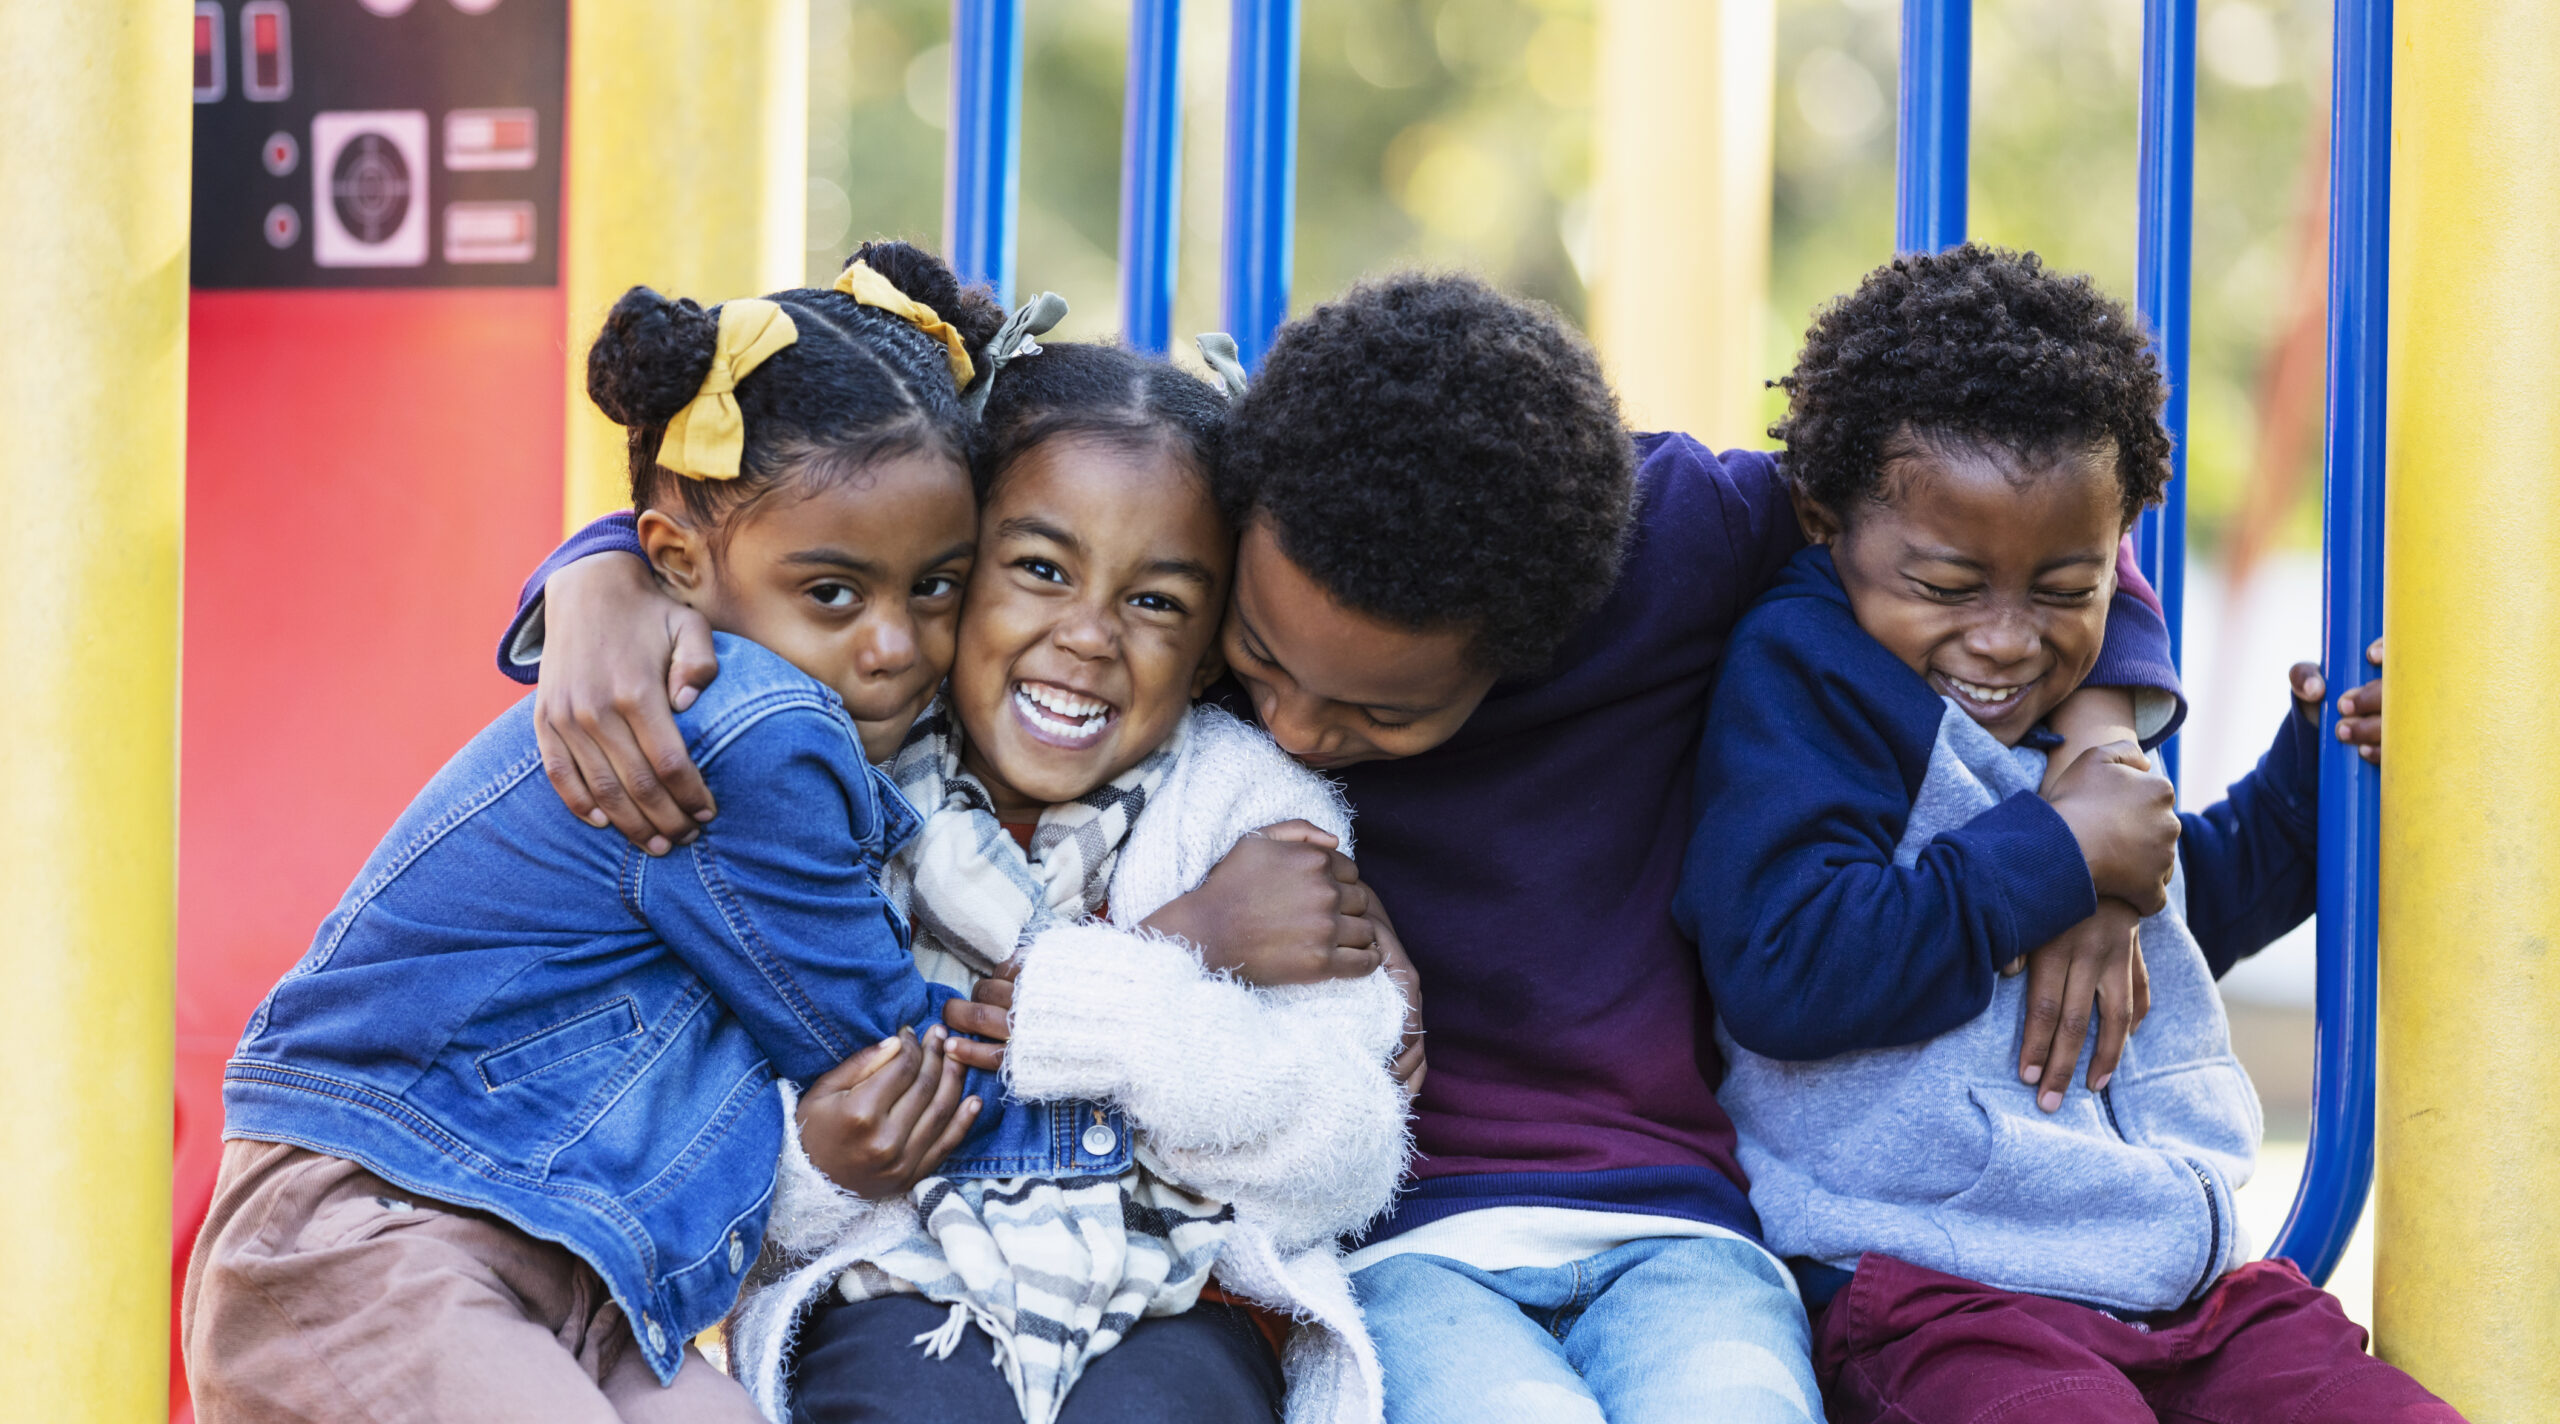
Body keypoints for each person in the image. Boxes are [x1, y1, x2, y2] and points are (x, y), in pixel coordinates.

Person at [507, 269, 2362, 1422]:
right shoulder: (1222, 537)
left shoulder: (1681, 549)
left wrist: (2106, 759)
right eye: (1263, 663)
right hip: (1402, 1234)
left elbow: (2024, 504)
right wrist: (592, 570)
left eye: (1381, 718)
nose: (1300, 730)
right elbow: (872, 481)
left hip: (1673, 1210)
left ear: (1538, 636)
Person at [181, 243, 999, 1424]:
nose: (898, 643)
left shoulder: (761, 675)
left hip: (586, 1268)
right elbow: (883, 1048)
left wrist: (595, 565)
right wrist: (1135, 1045)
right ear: (674, 562)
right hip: (382, 1233)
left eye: (939, 587)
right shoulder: (750, 735)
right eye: (836, 593)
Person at [1679, 243, 2451, 1424]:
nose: (2005, 638)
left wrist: (2326, 763)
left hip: (2178, 1286)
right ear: (1826, 521)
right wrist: (2057, 855)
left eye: (2061, 588)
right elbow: (1785, 965)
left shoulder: (2073, 727)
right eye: (1947, 586)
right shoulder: (1808, 675)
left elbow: (2200, 911)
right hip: (1939, 1287)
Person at [732, 336, 1417, 1424]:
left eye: (1154, 602)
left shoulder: (1252, 816)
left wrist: (1130, 1017)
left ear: (1206, 654)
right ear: (952, 573)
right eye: (1042, 569)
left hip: (1179, 1294)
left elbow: (1350, 1151)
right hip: (895, 1273)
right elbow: (708, 1116)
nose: (1089, 635)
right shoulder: (830, 783)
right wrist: (813, 1163)